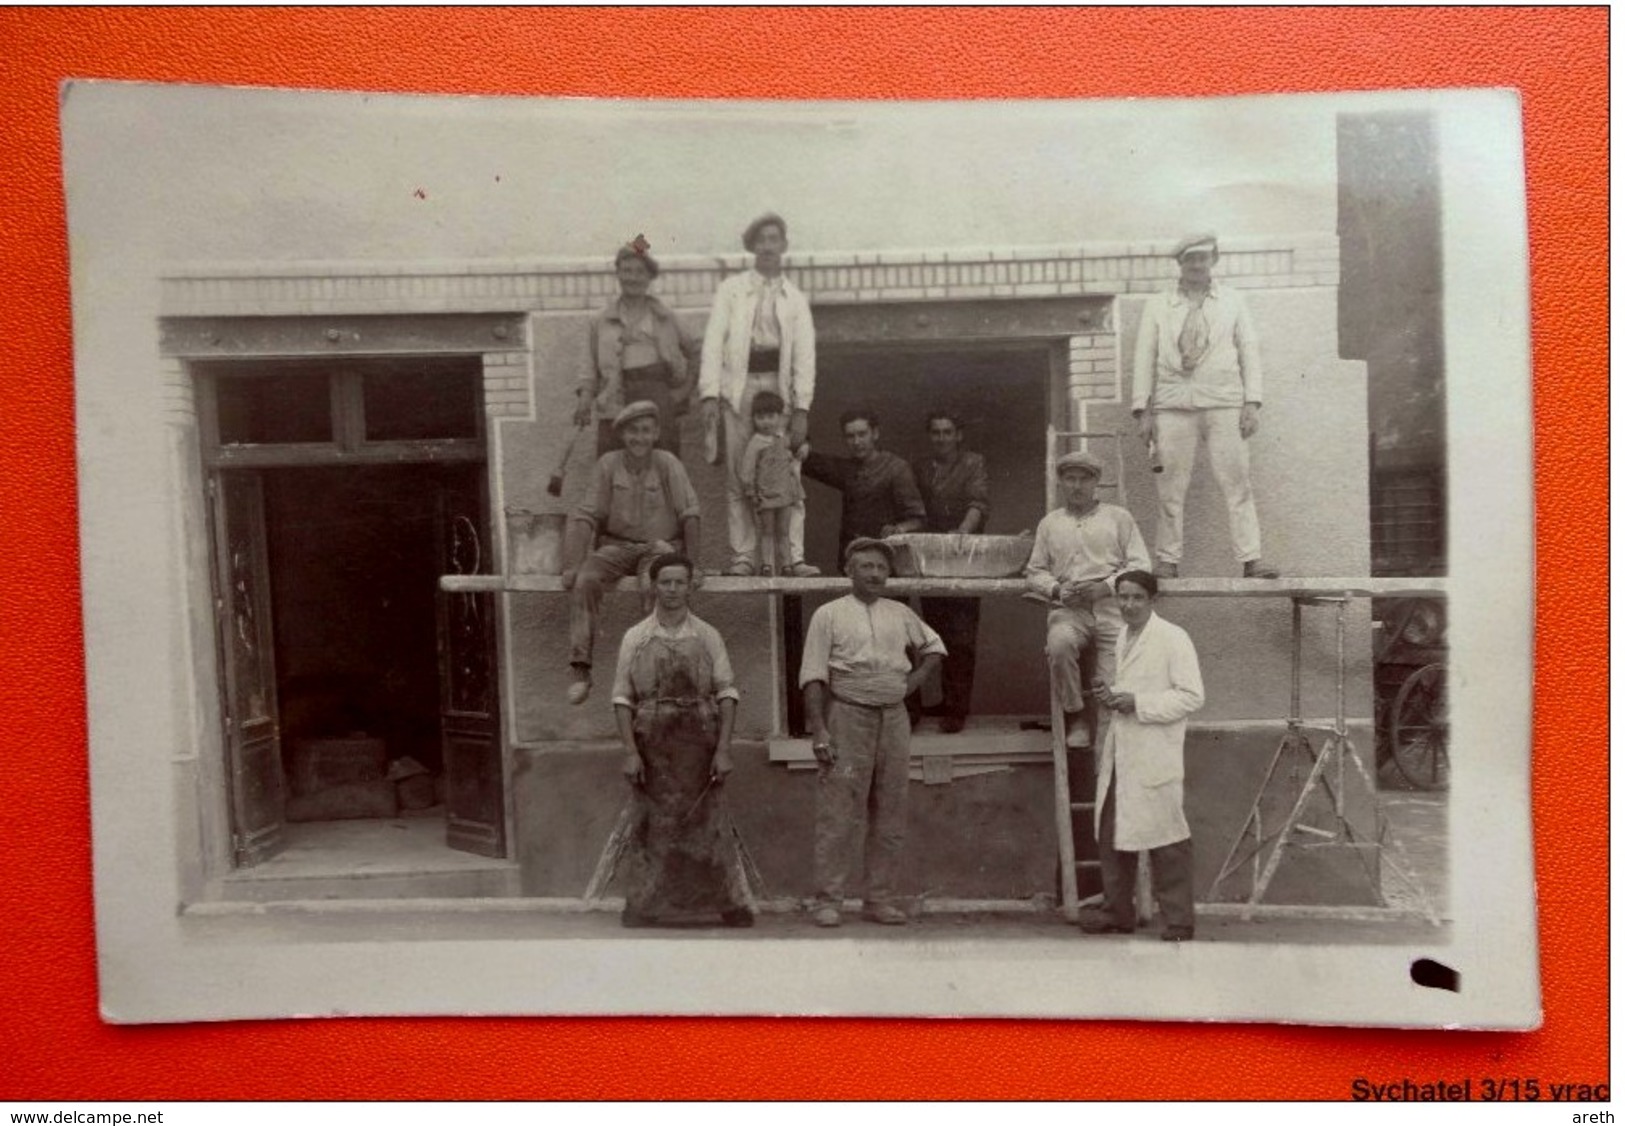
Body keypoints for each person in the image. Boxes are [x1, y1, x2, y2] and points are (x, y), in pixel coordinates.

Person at [799, 538, 945, 927]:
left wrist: (910, 685)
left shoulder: (900, 613)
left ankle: (879, 899)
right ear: (849, 571)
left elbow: (934, 648)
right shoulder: (828, 615)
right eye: (866, 567)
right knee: (838, 810)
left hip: (894, 718)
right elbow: (813, 676)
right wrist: (819, 730)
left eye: (881, 567)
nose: (875, 574)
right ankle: (827, 899)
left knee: (890, 809)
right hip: (847, 716)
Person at [610, 553, 754, 928]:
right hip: (652, 743)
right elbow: (623, 698)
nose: (672, 590)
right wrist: (630, 751)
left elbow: (726, 693)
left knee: (709, 821)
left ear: (690, 586)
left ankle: (728, 904)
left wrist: (723, 749)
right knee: (653, 824)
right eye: (665, 582)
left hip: (700, 740)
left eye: (679, 583)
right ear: (653, 586)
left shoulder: (707, 636)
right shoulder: (636, 637)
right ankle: (645, 906)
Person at [1132, 232, 1280, 579]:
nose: (1197, 265)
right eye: (1190, 259)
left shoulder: (1232, 301)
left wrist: (1252, 402)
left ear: (1213, 260)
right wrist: (1143, 410)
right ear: (1180, 264)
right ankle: (1168, 561)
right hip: (1172, 406)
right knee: (1170, 488)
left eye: (1203, 258)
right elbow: (1144, 356)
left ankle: (1251, 560)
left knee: (1238, 482)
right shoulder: (1158, 304)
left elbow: (1249, 350)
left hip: (1224, 402)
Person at [1080, 570, 1205, 942]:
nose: (1129, 605)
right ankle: (1118, 912)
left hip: (1155, 750)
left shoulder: (1172, 638)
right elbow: (1134, 688)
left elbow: (1191, 697)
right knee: (1112, 830)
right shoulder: (1122, 636)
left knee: (1167, 835)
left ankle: (1179, 920)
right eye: (1123, 597)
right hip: (1123, 748)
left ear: (1153, 601)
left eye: (1137, 598)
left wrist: (1139, 703)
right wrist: (1113, 694)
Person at [698, 212, 820, 578]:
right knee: (740, 475)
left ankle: (793, 557)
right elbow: (713, 342)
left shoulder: (795, 298)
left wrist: (801, 407)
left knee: (788, 475)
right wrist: (710, 393)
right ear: (752, 247)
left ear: (783, 246)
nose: (768, 246)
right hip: (739, 390)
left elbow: (804, 354)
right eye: (761, 240)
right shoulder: (731, 290)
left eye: (774, 239)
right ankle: (744, 556)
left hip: (778, 392)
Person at [560, 401, 702, 705]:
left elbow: (690, 514)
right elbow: (586, 515)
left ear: (656, 433)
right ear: (623, 434)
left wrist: (694, 564)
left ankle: (653, 675)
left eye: (646, 431)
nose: (639, 438)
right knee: (586, 580)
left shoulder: (667, 463)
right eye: (633, 431)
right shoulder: (608, 464)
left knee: (652, 588)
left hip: (658, 547)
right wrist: (572, 565)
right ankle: (580, 668)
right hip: (615, 546)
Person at [1024, 450, 1151, 750]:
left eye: (1084, 479)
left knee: (1111, 688)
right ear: (1061, 483)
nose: (1077, 486)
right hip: (1069, 610)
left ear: (1096, 483)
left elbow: (1140, 564)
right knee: (1059, 644)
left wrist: (1106, 586)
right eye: (1070, 479)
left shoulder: (1118, 518)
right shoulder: (1050, 523)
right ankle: (1076, 715)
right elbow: (1034, 572)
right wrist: (1057, 590)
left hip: (1112, 611)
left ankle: (1104, 769)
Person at [575, 242, 700, 457]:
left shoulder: (665, 317)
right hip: (615, 399)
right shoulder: (599, 321)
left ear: (650, 277)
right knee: (612, 467)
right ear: (618, 274)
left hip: (658, 399)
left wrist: (684, 391)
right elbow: (589, 368)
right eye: (627, 271)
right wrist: (585, 400)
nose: (633, 278)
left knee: (663, 467)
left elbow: (697, 350)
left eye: (640, 272)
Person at [911, 411, 991, 734]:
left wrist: (962, 531)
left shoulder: (973, 463)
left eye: (947, 432)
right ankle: (944, 701)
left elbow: (979, 503)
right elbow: (913, 507)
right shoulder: (921, 468)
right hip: (932, 559)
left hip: (964, 558)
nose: (941, 438)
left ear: (958, 435)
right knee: (935, 635)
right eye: (935, 432)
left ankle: (957, 709)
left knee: (961, 638)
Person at [801, 409, 926, 568]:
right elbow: (811, 462)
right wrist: (803, 444)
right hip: (853, 561)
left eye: (862, 434)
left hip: (886, 564)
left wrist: (899, 528)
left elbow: (919, 519)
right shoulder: (847, 469)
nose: (856, 441)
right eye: (850, 436)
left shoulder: (896, 468)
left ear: (875, 433)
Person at [738, 389, 809, 576]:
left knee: (784, 532)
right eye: (761, 417)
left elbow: (793, 454)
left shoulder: (782, 439)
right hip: (766, 496)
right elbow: (747, 470)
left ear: (779, 417)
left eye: (771, 416)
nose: (766, 421)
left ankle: (787, 565)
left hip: (784, 495)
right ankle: (767, 564)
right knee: (767, 532)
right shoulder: (755, 443)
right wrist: (751, 492)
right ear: (753, 418)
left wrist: (803, 447)